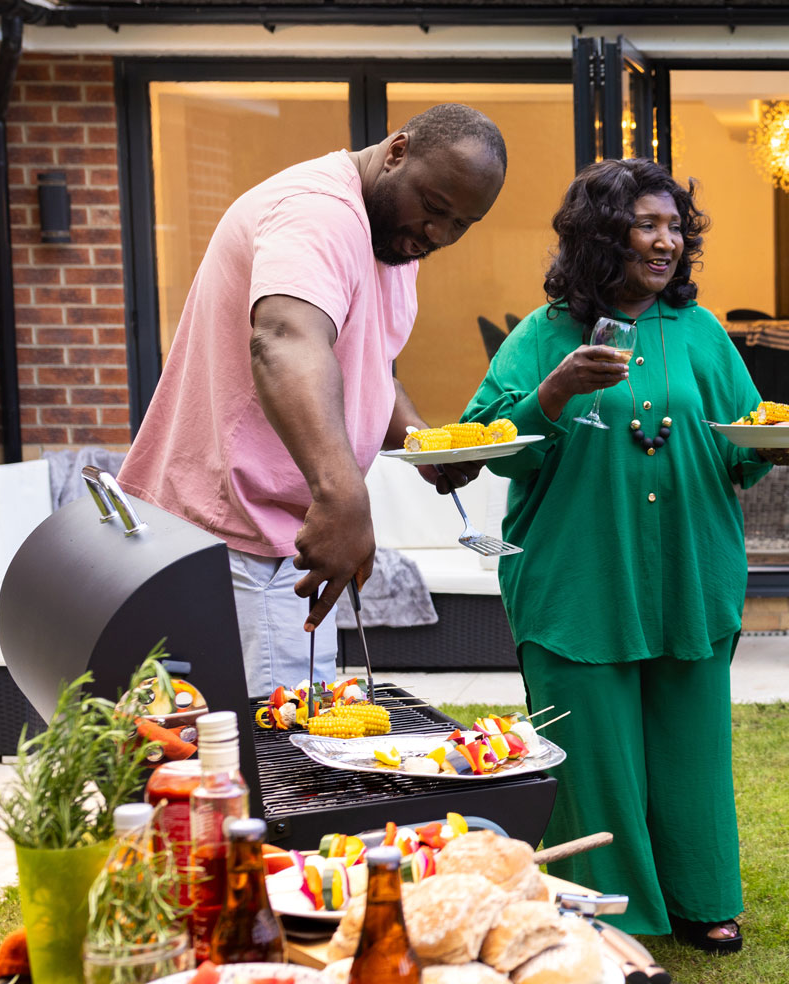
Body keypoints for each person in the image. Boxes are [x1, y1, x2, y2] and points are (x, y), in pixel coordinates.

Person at [461, 158, 789, 953]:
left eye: (675, 227)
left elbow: (740, 441)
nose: (666, 242)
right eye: (647, 225)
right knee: (595, 754)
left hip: (689, 567)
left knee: (691, 745)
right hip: (578, 576)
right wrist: (553, 392)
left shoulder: (702, 332)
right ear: (599, 237)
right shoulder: (544, 336)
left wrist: (771, 450)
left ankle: (702, 894)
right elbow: (489, 444)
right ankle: (618, 912)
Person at [119, 105, 507, 696]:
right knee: (282, 762)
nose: (439, 235)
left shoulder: (389, 240)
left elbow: (364, 367)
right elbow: (282, 341)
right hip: (241, 545)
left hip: (280, 541)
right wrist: (341, 493)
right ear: (397, 152)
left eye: (463, 224)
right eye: (432, 208)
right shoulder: (319, 215)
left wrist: (422, 443)